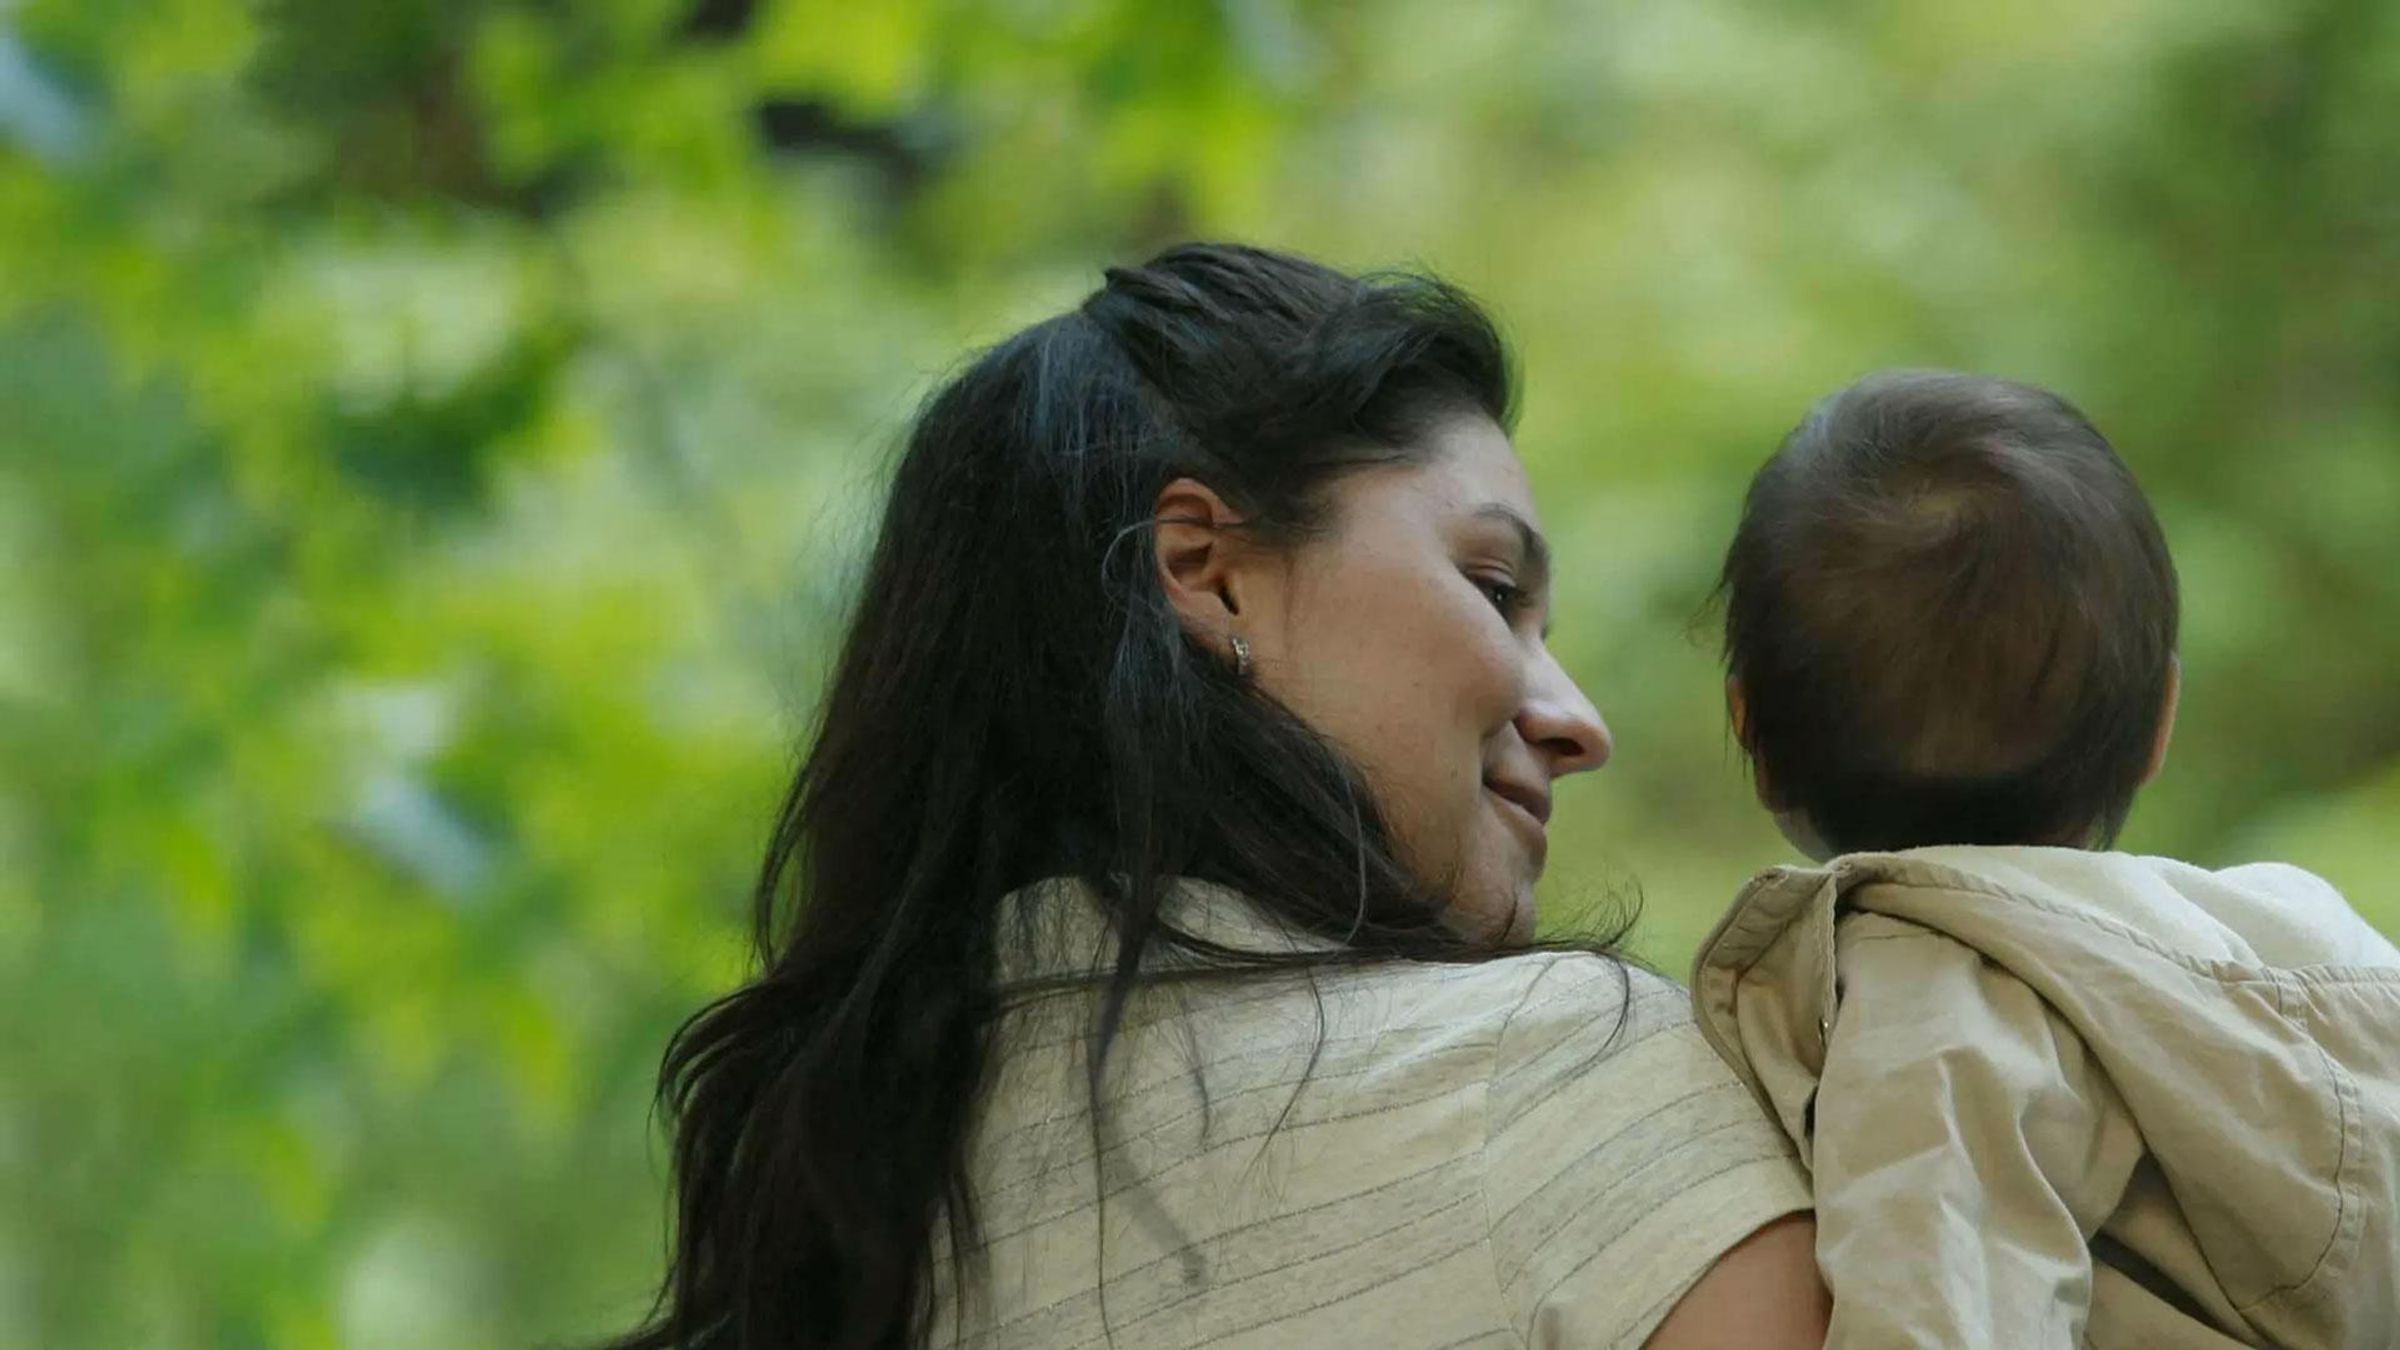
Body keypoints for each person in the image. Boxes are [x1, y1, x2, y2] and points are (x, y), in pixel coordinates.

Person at [605, 244, 1828, 1350]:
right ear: (1205, 569)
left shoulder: (839, 1224)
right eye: (1492, 584)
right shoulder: (1561, 1082)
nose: (1577, 722)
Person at [1697, 369, 2400, 1346]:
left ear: (1754, 740)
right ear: (2161, 719)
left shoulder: (1934, 1011)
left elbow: (1942, 1317)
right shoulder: (2298, 935)